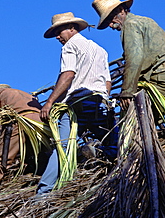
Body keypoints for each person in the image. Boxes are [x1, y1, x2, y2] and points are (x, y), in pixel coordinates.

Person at [92, 0, 165, 133]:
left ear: (121, 11)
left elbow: (134, 59)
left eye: (111, 20)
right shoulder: (146, 21)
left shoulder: (130, 25)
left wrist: (127, 92)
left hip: (162, 76)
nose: (111, 26)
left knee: (137, 122)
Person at [37, 12, 118, 195]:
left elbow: (68, 75)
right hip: (99, 103)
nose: (58, 37)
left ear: (72, 28)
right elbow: (107, 82)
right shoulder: (99, 49)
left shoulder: (70, 46)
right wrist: (105, 100)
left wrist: (49, 102)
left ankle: (44, 192)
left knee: (63, 146)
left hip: (78, 105)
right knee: (114, 143)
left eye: (59, 31)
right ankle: (104, 163)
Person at [0, 84, 44, 183]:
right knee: (40, 151)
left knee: (0, 159)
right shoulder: (23, 93)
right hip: (41, 122)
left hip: (22, 120)